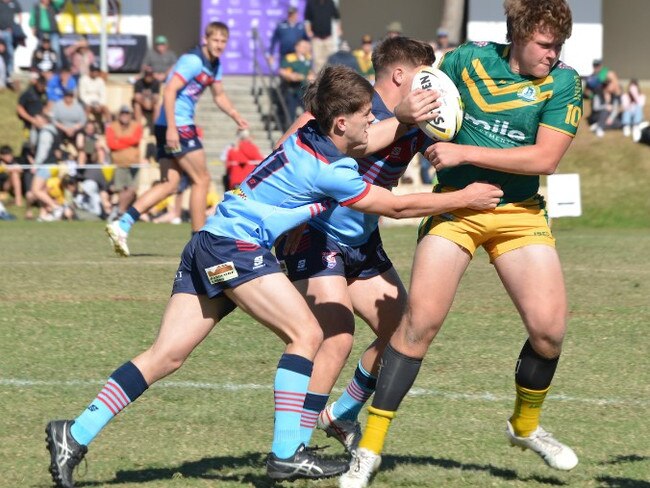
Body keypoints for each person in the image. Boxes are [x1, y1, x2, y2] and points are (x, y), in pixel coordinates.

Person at [44, 63, 500, 487]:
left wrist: (400, 117)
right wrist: (465, 199)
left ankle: (74, 432)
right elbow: (396, 206)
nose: (371, 122)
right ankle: (287, 452)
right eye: (365, 116)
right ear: (341, 123)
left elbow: (370, 141)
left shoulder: (305, 135)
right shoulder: (332, 169)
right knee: (305, 333)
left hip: (210, 241)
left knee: (166, 356)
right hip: (234, 250)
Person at [341, 1, 584, 486]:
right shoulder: (465, 61)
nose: (553, 54)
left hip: (518, 214)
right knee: (418, 326)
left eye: (559, 45)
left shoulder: (563, 82)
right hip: (454, 207)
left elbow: (546, 157)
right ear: (517, 36)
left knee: (549, 332)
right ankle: (368, 451)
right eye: (545, 44)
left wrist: (461, 151)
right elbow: (413, 98)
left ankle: (525, 426)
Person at [274, 35, 504, 456]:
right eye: (424, 75)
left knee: (403, 331)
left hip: (362, 240)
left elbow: (458, 130)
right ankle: (294, 449)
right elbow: (285, 149)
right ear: (400, 75)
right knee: (337, 336)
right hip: (314, 235)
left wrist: (484, 55)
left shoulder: (422, 121)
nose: (432, 84)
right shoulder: (348, 106)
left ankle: (341, 414)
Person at [105, 21, 248, 257]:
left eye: (223, 41)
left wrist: (235, 115)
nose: (219, 45)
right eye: (215, 40)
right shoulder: (193, 61)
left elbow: (219, 95)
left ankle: (122, 225)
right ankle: (199, 244)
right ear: (206, 39)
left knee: (169, 184)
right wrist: (172, 128)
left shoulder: (214, 65)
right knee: (201, 179)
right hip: (177, 125)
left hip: (169, 125)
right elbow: (169, 90)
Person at [105, 105, 143, 222]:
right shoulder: (112, 127)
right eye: (122, 113)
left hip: (134, 163)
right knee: (121, 190)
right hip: (119, 163)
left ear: (131, 115)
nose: (125, 116)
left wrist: (120, 140)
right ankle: (121, 213)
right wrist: (128, 141)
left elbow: (135, 140)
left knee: (132, 190)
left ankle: (120, 211)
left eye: (127, 113)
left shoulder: (137, 126)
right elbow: (111, 144)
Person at [279, 38, 314, 130]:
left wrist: (311, 77)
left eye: (306, 47)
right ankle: (287, 132)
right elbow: (282, 71)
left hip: (304, 91)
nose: (305, 48)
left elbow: (310, 72)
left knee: (308, 112)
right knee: (290, 112)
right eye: (303, 46)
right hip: (292, 90)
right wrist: (291, 75)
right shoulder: (290, 58)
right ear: (296, 47)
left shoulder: (308, 58)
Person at [304, 0, 341, 73]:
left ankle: (331, 81)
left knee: (331, 60)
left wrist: (339, 29)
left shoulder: (330, 2)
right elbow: (307, 19)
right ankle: (319, 82)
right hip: (316, 38)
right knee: (318, 62)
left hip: (328, 38)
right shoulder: (311, 3)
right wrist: (308, 30)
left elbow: (337, 17)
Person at [29, 0, 65, 68]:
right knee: (39, 50)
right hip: (41, 32)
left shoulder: (53, 6)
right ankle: (37, 67)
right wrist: (33, 27)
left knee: (55, 49)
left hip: (53, 31)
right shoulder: (36, 6)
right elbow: (32, 18)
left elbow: (61, 2)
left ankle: (57, 67)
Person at [78, 63, 109, 130]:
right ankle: (83, 128)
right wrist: (92, 104)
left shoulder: (100, 81)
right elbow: (82, 95)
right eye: (94, 71)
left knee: (106, 109)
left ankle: (109, 129)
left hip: (98, 103)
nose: (96, 73)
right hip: (87, 103)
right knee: (87, 109)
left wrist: (100, 104)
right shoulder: (83, 79)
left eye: (97, 71)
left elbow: (103, 95)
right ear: (90, 71)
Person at [132, 65, 161, 132]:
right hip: (141, 104)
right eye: (147, 75)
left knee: (157, 106)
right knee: (136, 105)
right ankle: (138, 129)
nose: (148, 77)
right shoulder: (139, 82)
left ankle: (155, 128)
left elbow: (156, 97)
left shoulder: (156, 82)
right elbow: (136, 97)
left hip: (151, 104)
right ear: (144, 75)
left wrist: (150, 104)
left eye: (150, 75)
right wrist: (145, 103)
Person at [0, 0, 21, 81]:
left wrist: (18, 27)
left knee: (10, 54)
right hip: (0, 31)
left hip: (10, 33)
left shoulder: (14, 3)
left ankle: (10, 74)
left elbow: (19, 14)